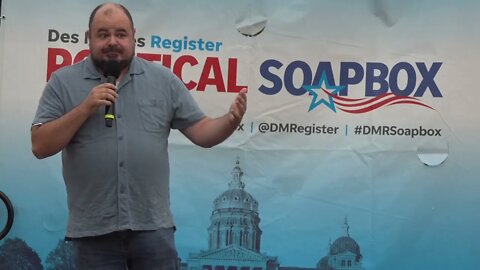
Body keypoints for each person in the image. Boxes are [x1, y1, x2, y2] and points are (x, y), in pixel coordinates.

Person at [31, 2, 247, 269]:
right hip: (93, 232)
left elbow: (203, 133)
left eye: (120, 34)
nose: (112, 41)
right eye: (103, 34)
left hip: (152, 229)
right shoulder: (62, 82)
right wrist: (85, 108)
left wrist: (229, 121)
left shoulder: (163, 80)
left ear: (134, 36)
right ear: (88, 38)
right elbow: (40, 145)